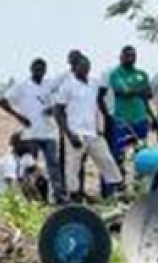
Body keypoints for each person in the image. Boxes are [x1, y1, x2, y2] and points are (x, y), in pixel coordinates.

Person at [53, 54, 123, 202]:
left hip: (92, 131)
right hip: (75, 132)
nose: (85, 69)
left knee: (106, 159)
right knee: (73, 166)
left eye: (87, 66)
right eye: (82, 66)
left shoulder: (93, 84)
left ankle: (116, 192)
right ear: (75, 67)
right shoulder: (68, 85)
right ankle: (73, 197)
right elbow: (58, 111)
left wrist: (102, 124)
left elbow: (97, 104)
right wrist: (69, 134)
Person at [0, 58, 64, 202]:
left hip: (49, 132)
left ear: (45, 70)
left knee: (53, 165)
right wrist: (19, 116)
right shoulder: (22, 86)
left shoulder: (49, 85)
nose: (39, 71)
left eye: (42, 69)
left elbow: (58, 105)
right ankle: (30, 198)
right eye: (37, 68)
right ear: (31, 69)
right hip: (31, 134)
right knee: (29, 166)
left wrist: (51, 110)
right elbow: (2, 102)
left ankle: (58, 196)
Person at [107, 45, 154, 165]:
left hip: (140, 118)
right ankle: (119, 180)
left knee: (141, 152)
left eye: (133, 56)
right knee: (120, 153)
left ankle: (138, 181)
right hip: (123, 120)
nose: (131, 58)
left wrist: (136, 92)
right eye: (127, 55)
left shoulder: (142, 74)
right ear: (121, 57)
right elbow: (123, 91)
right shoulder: (116, 74)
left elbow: (148, 94)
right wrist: (139, 91)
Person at [0, 134, 42, 199]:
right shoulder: (9, 161)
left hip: (12, 190)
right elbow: (13, 187)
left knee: (41, 181)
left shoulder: (25, 157)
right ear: (17, 145)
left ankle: (41, 203)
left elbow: (38, 171)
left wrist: (32, 180)